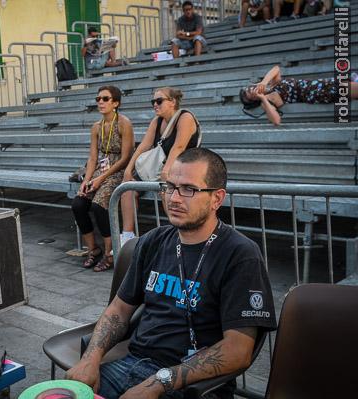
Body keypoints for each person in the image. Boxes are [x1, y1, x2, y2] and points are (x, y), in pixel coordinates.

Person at [67, 148, 277, 399]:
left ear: (217, 199)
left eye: (189, 189)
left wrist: (157, 383)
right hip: (130, 365)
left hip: (192, 385)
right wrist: (90, 359)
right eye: (169, 187)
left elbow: (238, 351)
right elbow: (119, 310)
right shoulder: (153, 241)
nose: (174, 199)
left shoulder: (240, 254)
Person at [120, 88, 200, 246]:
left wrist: (167, 170)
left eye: (159, 101)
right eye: (153, 102)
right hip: (160, 168)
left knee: (168, 190)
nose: (155, 105)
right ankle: (127, 236)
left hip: (186, 167)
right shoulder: (157, 121)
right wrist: (128, 169)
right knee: (126, 188)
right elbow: (144, 145)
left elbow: (179, 146)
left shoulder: (185, 117)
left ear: (173, 102)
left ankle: (178, 234)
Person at [71, 86, 134, 272]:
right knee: (78, 204)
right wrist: (87, 180)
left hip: (118, 171)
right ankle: (93, 249)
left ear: (116, 103)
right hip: (100, 171)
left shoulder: (124, 123)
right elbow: (92, 158)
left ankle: (110, 252)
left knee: (99, 206)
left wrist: (101, 179)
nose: (100, 102)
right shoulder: (96, 127)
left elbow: (125, 158)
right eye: (98, 98)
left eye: (105, 99)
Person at [239, 65, 358, 125]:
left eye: (250, 88)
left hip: (321, 83)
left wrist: (264, 82)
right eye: (251, 94)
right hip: (318, 93)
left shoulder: (271, 84)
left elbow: (276, 69)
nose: (252, 89)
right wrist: (263, 99)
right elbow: (276, 121)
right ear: (255, 100)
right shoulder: (267, 101)